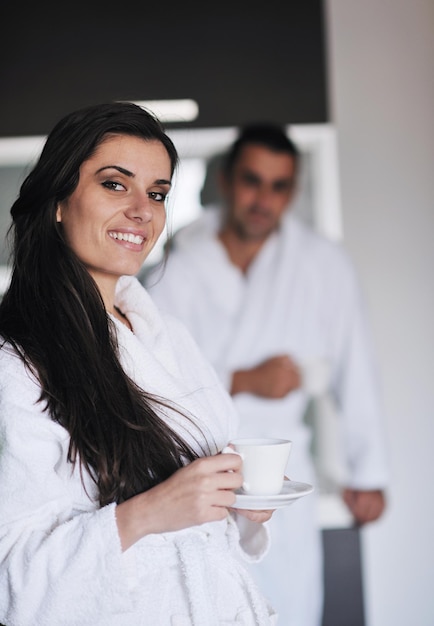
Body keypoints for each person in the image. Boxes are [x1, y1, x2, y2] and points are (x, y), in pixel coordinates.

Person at [0, 103, 280, 626]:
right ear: (59, 200)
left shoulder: (169, 337)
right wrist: (152, 512)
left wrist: (239, 503)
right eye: (114, 184)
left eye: (157, 193)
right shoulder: (17, 362)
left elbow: (204, 508)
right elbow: (13, 579)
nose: (142, 211)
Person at [144, 123, 390, 626]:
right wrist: (240, 378)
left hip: (279, 473)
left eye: (279, 187)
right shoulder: (180, 262)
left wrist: (369, 472)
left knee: (288, 607)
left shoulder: (323, 265)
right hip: (192, 467)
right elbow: (146, 369)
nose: (263, 199)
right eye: (253, 181)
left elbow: (355, 366)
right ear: (230, 182)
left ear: (292, 192)